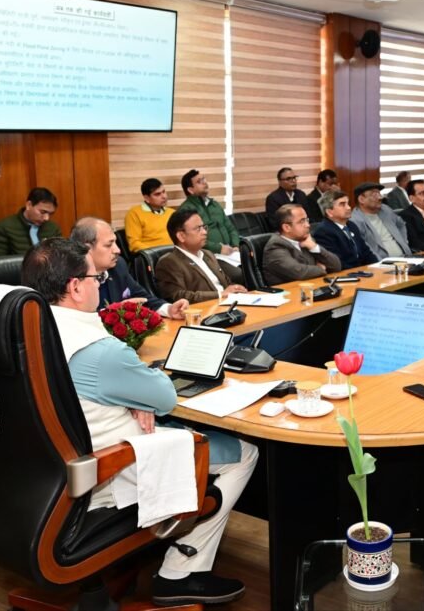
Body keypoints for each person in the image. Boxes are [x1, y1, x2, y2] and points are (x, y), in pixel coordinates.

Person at [21, 238, 256, 606]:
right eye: (97, 278)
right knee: (244, 452)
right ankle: (181, 572)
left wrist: (128, 395)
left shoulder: (21, 333)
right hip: (101, 474)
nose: (101, 285)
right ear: (75, 287)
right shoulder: (99, 351)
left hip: (39, 476)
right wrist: (137, 394)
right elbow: (164, 397)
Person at [70, 217, 188, 320]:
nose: (117, 250)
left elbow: (142, 297)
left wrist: (169, 309)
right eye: (108, 245)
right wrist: (113, 312)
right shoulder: (71, 279)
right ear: (87, 249)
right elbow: (74, 322)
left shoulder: (118, 266)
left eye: (115, 243)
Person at [155, 209, 247, 304]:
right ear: (181, 236)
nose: (204, 232)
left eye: (204, 227)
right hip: (205, 309)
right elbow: (178, 296)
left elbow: (226, 283)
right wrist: (220, 294)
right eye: (198, 229)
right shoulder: (169, 262)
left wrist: (235, 288)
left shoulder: (208, 254)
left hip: (229, 304)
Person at [177, 169, 244, 285]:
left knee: (254, 265)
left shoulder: (214, 204)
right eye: (199, 181)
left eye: (204, 179)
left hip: (231, 252)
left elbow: (230, 228)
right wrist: (219, 248)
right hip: (209, 255)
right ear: (190, 190)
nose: (205, 183)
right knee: (239, 274)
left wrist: (235, 245)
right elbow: (193, 238)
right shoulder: (186, 210)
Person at [261, 204, 341, 285]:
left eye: (307, 220)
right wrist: (322, 268)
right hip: (292, 291)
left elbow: (336, 266)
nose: (308, 225)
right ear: (286, 227)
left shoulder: (306, 240)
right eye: (302, 221)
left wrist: (314, 247)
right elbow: (300, 272)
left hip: (314, 287)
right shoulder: (275, 247)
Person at [0, 187, 61, 256]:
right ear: (29, 205)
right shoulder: (2, 229)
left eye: (50, 214)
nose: (46, 218)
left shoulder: (53, 229)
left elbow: (61, 257)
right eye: (42, 212)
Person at [313, 190, 378, 269]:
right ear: (329, 212)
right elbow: (338, 263)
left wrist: (378, 267)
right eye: (342, 204)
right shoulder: (323, 232)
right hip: (347, 273)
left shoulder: (352, 225)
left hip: (363, 271)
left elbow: (366, 252)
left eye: (348, 203)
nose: (349, 207)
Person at [349, 182, 413, 259]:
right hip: (381, 262)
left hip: (406, 257)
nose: (380, 198)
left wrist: (403, 241)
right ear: (361, 199)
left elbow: (401, 224)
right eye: (374, 194)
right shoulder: (355, 221)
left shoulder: (385, 209)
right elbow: (365, 250)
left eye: (379, 193)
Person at [124, 178, 175, 253]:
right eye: (157, 194)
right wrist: (154, 253)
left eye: (164, 192)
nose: (164, 196)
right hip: (151, 255)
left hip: (174, 254)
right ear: (147, 198)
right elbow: (134, 244)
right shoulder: (134, 213)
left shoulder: (172, 213)